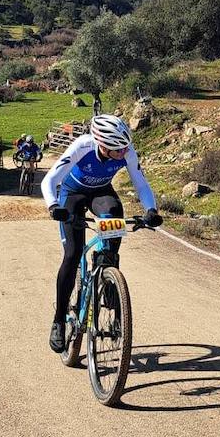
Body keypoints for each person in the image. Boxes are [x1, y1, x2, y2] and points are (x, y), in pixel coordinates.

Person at [41, 113, 161, 353]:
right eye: (117, 150)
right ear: (102, 145)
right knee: (73, 254)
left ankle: (109, 282)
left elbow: (141, 183)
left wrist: (151, 210)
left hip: (101, 194)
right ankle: (58, 320)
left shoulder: (127, 151)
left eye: (125, 147)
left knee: (113, 223)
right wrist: (54, 206)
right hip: (72, 194)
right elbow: (50, 179)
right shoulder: (83, 146)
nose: (123, 152)